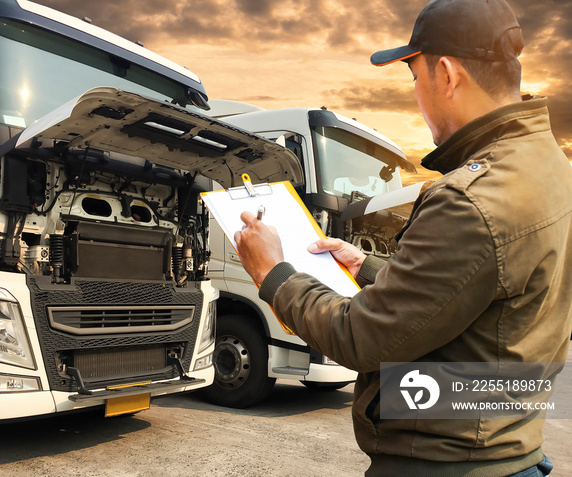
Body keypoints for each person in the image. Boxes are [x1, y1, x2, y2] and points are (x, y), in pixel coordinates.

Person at [233, 0, 572, 475]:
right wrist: (368, 269)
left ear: (448, 75)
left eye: (415, 77)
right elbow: (484, 287)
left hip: (446, 462)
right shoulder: (551, 169)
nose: (417, 93)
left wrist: (273, 272)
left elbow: (360, 338)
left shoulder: (471, 200)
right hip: (507, 445)